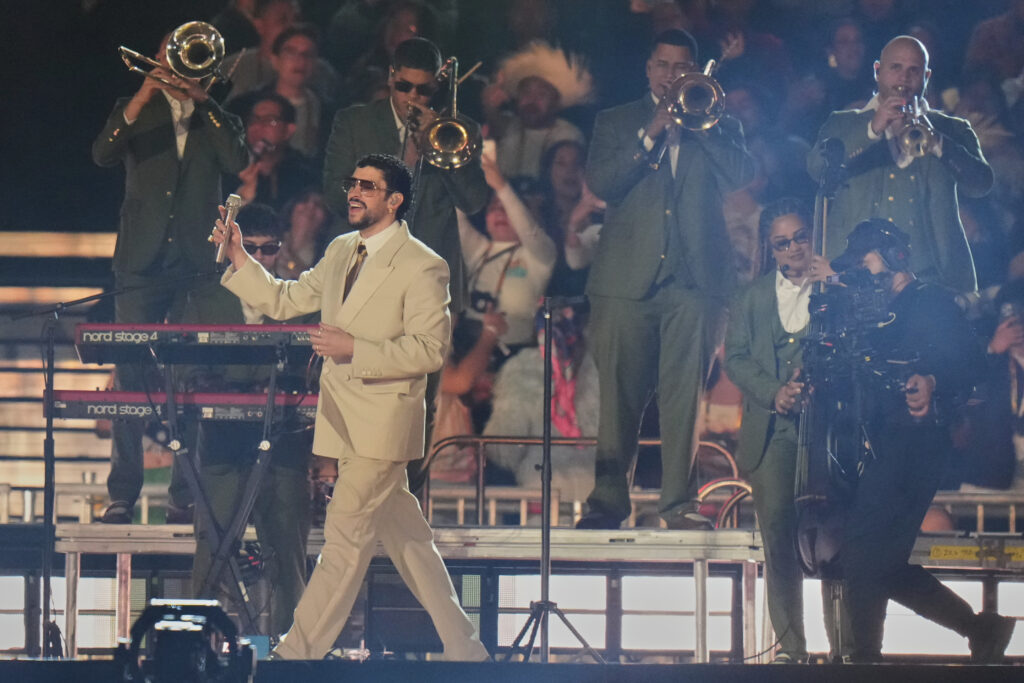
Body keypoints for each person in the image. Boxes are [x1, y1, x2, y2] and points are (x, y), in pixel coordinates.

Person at [209, 153, 488, 661]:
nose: (353, 192)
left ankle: (295, 656)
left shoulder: (424, 264)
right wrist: (238, 257)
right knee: (409, 542)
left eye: (367, 186)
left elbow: (429, 351)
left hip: (384, 425)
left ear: (395, 200)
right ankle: (467, 649)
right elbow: (285, 299)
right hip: (344, 422)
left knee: (343, 541)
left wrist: (355, 348)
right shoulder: (341, 249)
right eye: (351, 182)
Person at [576, 28, 754, 530]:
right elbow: (602, 184)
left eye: (682, 67)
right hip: (624, 282)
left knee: (685, 400)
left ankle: (679, 506)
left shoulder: (717, 120)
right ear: (648, 68)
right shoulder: (616, 122)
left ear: (693, 72)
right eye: (663, 65)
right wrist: (651, 132)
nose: (672, 75)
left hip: (696, 283)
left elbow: (741, 174)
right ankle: (607, 504)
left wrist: (702, 126)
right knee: (618, 399)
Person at [822, 219, 1015, 663]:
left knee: (865, 556)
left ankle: (865, 660)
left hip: (914, 446)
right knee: (873, 561)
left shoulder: (929, 302)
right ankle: (981, 629)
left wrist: (931, 380)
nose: (859, 271)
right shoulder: (867, 312)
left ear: (892, 257)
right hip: (874, 443)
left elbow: (971, 365)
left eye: (864, 260)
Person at [91, 30, 249, 524]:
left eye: (188, 60)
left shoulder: (217, 117)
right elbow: (102, 153)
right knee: (128, 378)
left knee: (189, 380)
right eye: (170, 56)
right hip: (140, 260)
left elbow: (238, 160)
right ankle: (122, 493)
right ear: (158, 58)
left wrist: (205, 103)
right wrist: (144, 93)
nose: (180, 67)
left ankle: (183, 494)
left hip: (195, 266)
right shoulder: (135, 108)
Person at [183, 203, 312, 637]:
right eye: (249, 246)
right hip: (223, 440)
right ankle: (196, 650)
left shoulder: (299, 297)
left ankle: (289, 658)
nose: (258, 256)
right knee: (212, 551)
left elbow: (315, 365)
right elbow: (183, 362)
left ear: (283, 249)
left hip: (285, 442)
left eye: (268, 248)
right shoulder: (204, 295)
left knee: (287, 556)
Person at [723, 198, 834, 663]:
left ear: (812, 237)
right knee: (779, 538)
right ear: (771, 249)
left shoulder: (833, 288)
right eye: (782, 243)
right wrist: (774, 393)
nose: (793, 249)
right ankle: (792, 648)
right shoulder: (751, 297)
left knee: (831, 540)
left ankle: (846, 644)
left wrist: (835, 283)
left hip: (827, 431)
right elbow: (735, 359)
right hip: (772, 433)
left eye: (800, 238)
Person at [807, 35, 993, 294]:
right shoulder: (842, 123)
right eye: (896, 68)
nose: (904, 78)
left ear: (926, 76)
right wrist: (872, 128)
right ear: (877, 71)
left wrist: (938, 142)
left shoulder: (953, 130)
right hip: (854, 279)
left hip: (934, 282)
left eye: (914, 70)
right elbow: (816, 168)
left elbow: (981, 184)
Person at [459, 152, 557, 349]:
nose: (499, 211)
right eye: (494, 205)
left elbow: (529, 232)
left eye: (506, 207)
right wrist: (463, 171)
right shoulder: (479, 249)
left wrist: (502, 188)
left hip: (515, 353)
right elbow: (456, 216)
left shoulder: (541, 254)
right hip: (468, 349)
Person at [482, 42, 592, 180]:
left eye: (542, 94)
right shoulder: (509, 125)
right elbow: (494, 123)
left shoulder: (569, 135)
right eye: (526, 92)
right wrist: (489, 104)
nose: (532, 100)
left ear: (556, 102)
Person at [227, 93, 318, 211]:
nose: (258, 127)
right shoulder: (231, 168)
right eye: (254, 120)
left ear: (288, 130)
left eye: (269, 120)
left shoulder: (304, 173)